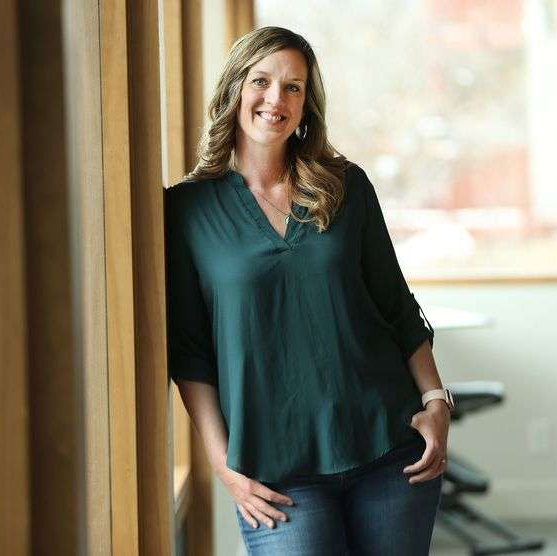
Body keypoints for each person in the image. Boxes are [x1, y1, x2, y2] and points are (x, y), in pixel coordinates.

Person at [164, 25, 452, 555]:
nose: (276, 99)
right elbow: (190, 352)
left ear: (306, 104)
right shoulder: (184, 210)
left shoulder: (346, 185)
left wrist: (436, 401)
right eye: (262, 81)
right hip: (275, 472)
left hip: (389, 450)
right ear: (234, 89)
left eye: (293, 87)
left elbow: (395, 304)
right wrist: (223, 463)